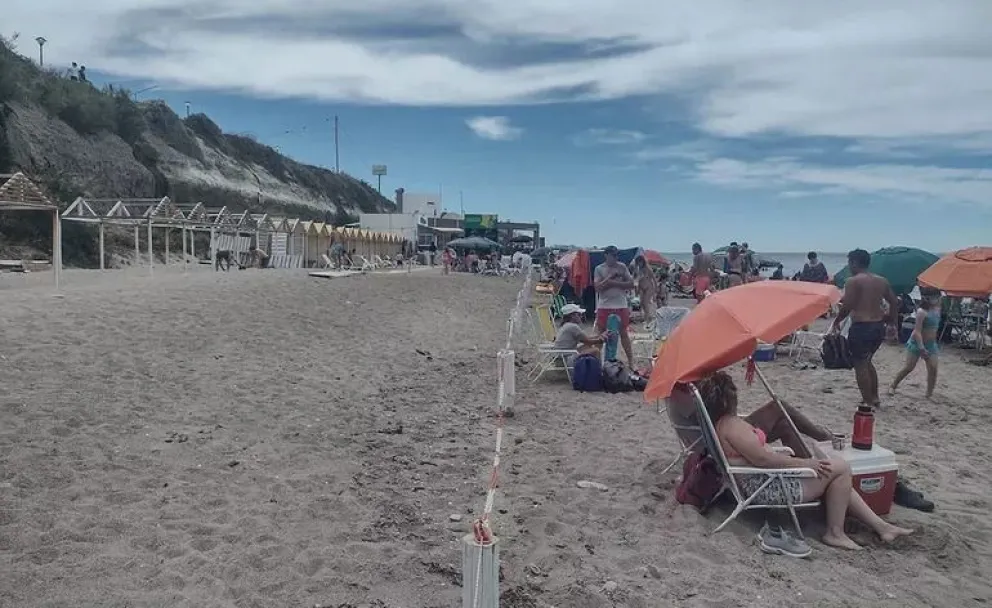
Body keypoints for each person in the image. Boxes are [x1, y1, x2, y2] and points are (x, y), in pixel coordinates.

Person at [699, 372, 914, 550]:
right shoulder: (733, 427)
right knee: (840, 468)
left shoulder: (724, 424)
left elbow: (760, 458)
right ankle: (835, 533)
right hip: (769, 487)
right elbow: (763, 459)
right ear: (728, 400)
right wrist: (805, 463)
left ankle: (882, 527)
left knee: (838, 475)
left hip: (763, 480)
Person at [830, 249, 900, 409]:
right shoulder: (881, 280)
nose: (849, 266)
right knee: (867, 362)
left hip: (862, 326)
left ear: (854, 262)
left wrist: (837, 320)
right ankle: (875, 398)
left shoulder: (853, 281)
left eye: (849, 263)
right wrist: (891, 320)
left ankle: (868, 402)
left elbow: (848, 305)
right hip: (878, 326)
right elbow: (894, 302)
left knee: (860, 364)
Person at [890, 287, 942, 399]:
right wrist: (921, 347)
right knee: (909, 367)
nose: (936, 299)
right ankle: (893, 385)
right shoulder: (921, 312)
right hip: (917, 343)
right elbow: (917, 331)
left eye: (937, 297)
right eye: (934, 297)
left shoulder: (937, 309)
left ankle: (929, 394)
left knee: (933, 368)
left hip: (931, 344)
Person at [593, 246, 636, 364]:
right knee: (601, 334)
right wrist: (610, 278)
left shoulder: (622, 267)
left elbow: (631, 284)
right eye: (613, 255)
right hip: (604, 305)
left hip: (621, 305)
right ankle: (595, 362)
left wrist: (612, 283)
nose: (616, 258)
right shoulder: (599, 268)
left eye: (617, 255)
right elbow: (598, 288)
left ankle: (631, 361)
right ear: (606, 255)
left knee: (623, 334)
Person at [632, 255, 658, 328]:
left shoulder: (647, 268)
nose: (639, 263)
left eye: (640, 262)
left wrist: (656, 289)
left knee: (645, 303)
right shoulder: (637, 269)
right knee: (642, 303)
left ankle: (647, 319)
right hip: (641, 287)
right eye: (638, 262)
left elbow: (654, 278)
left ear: (643, 261)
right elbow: (635, 279)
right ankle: (647, 317)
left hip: (648, 287)